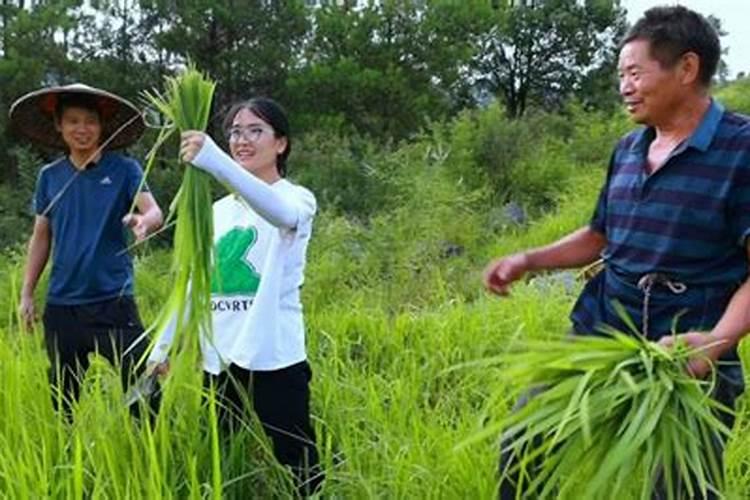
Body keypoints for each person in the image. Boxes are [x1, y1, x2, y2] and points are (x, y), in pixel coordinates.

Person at [482, 6, 750, 499]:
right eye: (620, 75)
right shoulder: (629, 148)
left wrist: (717, 341)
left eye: (634, 72)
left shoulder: (742, 149)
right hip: (602, 330)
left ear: (686, 69)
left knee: (682, 487)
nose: (624, 86)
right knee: (524, 441)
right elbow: (601, 234)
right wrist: (529, 260)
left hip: (689, 349)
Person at [148, 97, 322, 496]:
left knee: (298, 460)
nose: (241, 140)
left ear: (281, 143)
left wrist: (214, 161)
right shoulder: (218, 210)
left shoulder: (297, 198)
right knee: (222, 454)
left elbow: (279, 213)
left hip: (273, 356)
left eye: (255, 130)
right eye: (234, 132)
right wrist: (166, 344)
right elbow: (195, 283)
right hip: (219, 357)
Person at [11, 84, 163, 414]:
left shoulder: (125, 170)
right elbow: (41, 236)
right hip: (62, 304)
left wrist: (144, 222)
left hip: (113, 300)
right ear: (59, 126)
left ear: (102, 126)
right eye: (73, 121)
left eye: (90, 121)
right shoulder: (49, 176)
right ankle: (68, 456)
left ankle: (149, 453)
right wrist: (27, 294)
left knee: (144, 387)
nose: (82, 129)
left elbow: (154, 211)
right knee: (64, 397)